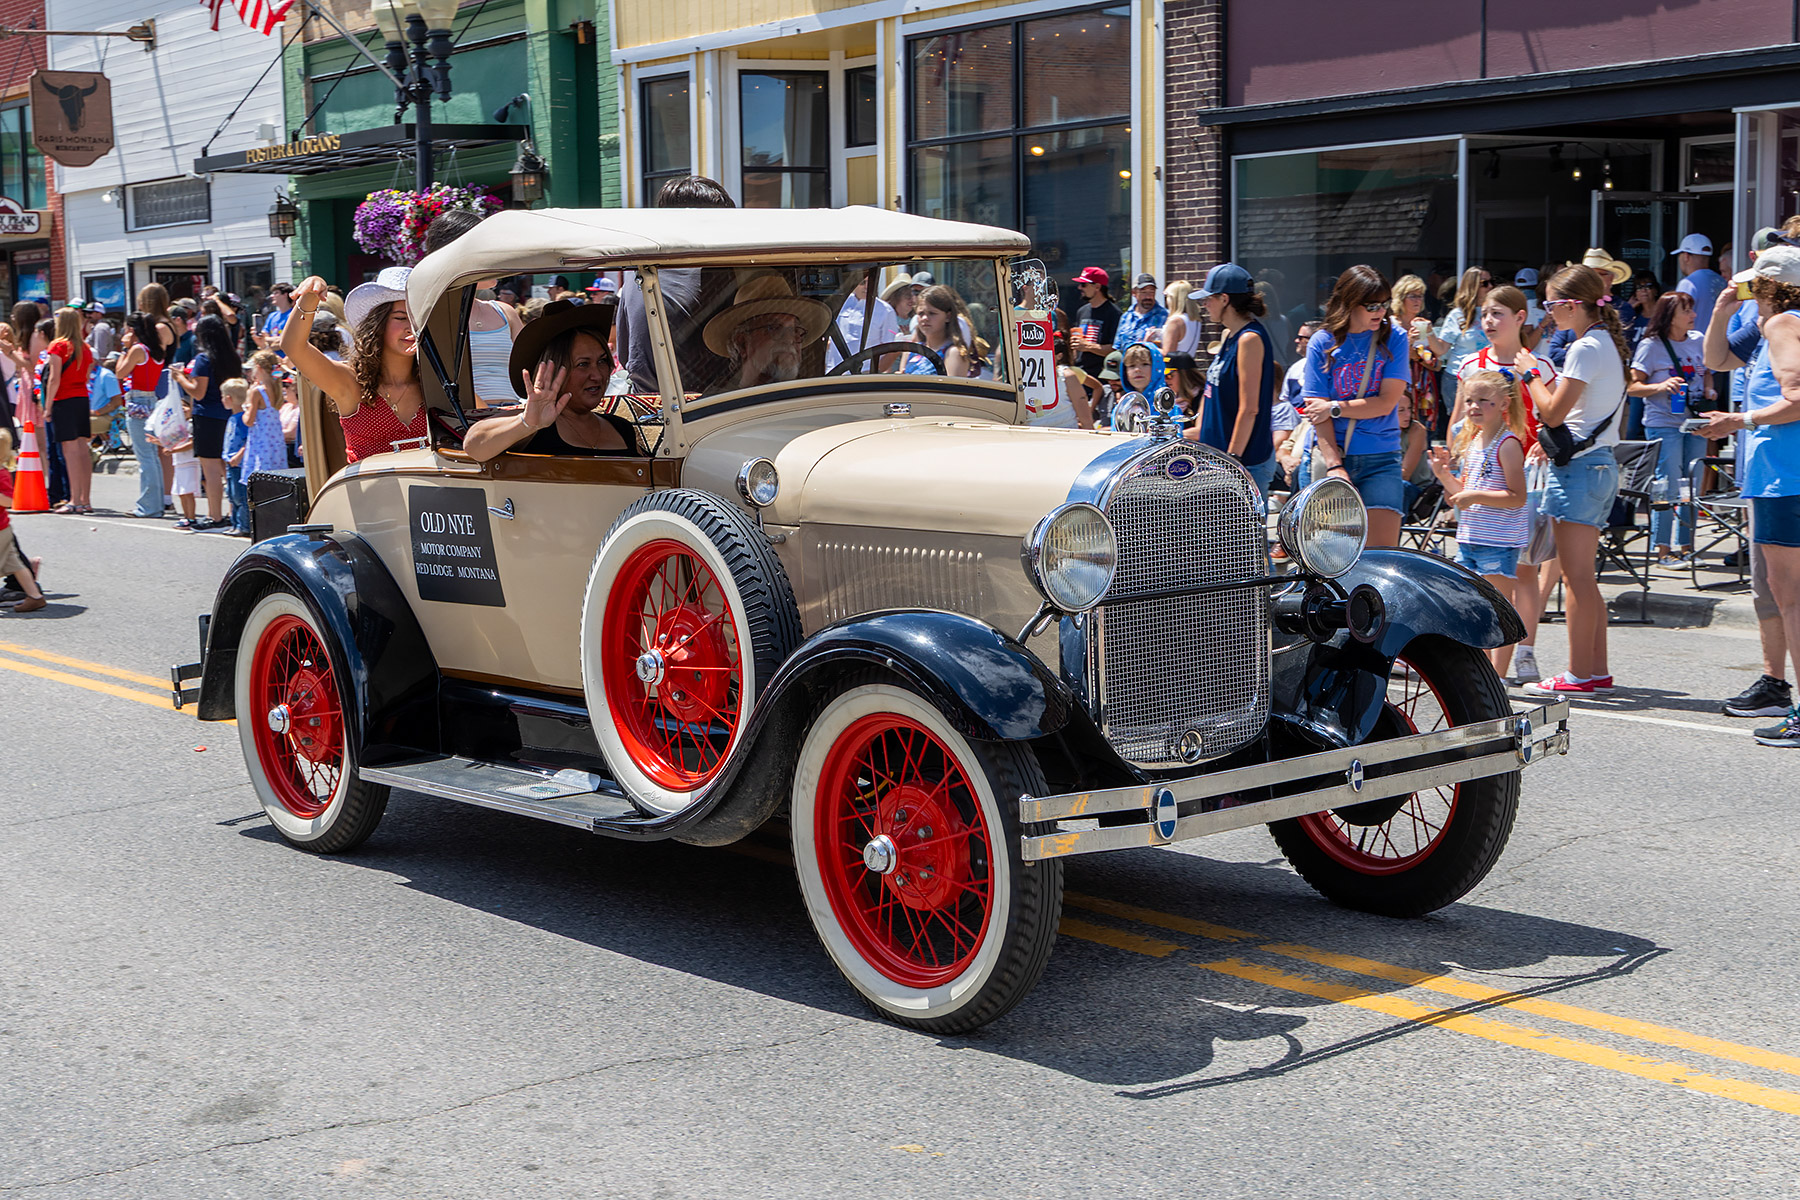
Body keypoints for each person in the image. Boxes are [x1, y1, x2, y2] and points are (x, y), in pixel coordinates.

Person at [1697, 245, 1800, 745]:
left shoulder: (1781, 325)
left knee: (1792, 599)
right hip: (1783, 476)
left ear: (1769, 289)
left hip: (1786, 477)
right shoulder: (1774, 325)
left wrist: (1740, 419)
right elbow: (1716, 357)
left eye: (1754, 286)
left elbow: (1798, 396)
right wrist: (1722, 310)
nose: (1749, 294)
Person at [1524, 264, 1627, 697]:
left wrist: (1530, 374)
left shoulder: (1586, 346)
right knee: (1584, 577)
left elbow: (1551, 413)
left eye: (1551, 304)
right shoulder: (1604, 342)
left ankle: (1579, 673)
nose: (1547, 312)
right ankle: (1594, 670)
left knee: (1576, 578)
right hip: (1599, 464)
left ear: (1572, 304)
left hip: (1582, 469)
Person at [1456, 285, 1560, 683]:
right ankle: (1485, 661)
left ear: (1520, 318)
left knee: (1524, 570)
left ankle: (1526, 651)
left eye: (1498, 313)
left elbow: (1555, 417)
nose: (1489, 321)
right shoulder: (1471, 364)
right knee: (1486, 577)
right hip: (1483, 472)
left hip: (1526, 476)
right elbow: (1460, 418)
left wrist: (1545, 448)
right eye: (1485, 313)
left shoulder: (1537, 365)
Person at [1427, 369, 1530, 675]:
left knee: (1497, 613)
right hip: (1470, 539)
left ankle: (1497, 677)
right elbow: (1464, 493)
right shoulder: (1473, 441)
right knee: (1472, 611)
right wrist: (1444, 476)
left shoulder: (1508, 443)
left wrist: (1474, 496)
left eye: (1483, 400)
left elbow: (1516, 496)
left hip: (1498, 543)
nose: (1474, 406)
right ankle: (1480, 674)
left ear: (1503, 404)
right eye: (1470, 400)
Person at [1301, 265, 1410, 547]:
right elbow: (1316, 412)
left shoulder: (1394, 338)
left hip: (1381, 459)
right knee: (1329, 557)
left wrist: (1335, 408)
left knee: (1381, 556)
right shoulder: (1322, 342)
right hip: (1334, 456)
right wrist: (1335, 466)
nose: (1380, 312)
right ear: (1349, 302)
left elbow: (1386, 404)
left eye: (1385, 304)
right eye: (1372, 305)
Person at [281, 268, 427, 463]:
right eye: (401, 317)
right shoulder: (351, 381)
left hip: (431, 490)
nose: (412, 326)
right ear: (378, 324)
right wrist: (310, 295)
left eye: (418, 317)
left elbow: (478, 419)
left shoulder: (437, 383)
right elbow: (293, 346)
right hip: (369, 491)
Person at [461, 301, 631, 462]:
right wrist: (527, 423)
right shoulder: (535, 423)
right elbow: (474, 445)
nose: (597, 375)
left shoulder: (622, 428)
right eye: (583, 364)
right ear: (553, 370)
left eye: (602, 361)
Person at [617, 175, 738, 394]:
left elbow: (627, 355)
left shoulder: (637, 273)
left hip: (644, 405)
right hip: (703, 407)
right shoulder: (715, 273)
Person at [1629, 291, 1712, 564]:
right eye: (1686, 311)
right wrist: (1661, 386)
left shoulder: (1698, 341)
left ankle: (1686, 547)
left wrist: (1709, 388)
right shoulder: (1651, 345)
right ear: (1669, 316)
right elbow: (1633, 386)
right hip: (1663, 423)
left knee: (1691, 485)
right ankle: (1663, 549)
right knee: (1668, 485)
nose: (1693, 316)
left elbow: (1707, 369)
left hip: (1695, 422)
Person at [1188, 262, 1276, 496]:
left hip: (1243, 464)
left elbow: (1249, 409)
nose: (1204, 304)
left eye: (1208, 298)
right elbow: (1211, 390)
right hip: (1216, 461)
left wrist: (1232, 461)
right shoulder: (1229, 335)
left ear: (1224, 299)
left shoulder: (1249, 339)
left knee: (1245, 534)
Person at [423, 208, 522, 407]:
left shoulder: (505, 312)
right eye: (485, 250)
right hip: (467, 423)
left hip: (517, 415)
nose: (494, 257)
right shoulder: (432, 316)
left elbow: (533, 367)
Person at [698, 276, 832, 395]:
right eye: (773, 328)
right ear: (742, 343)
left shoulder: (814, 397)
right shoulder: (718, 405)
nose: (790, 339)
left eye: (796, 330)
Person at [171, 313, 240, 529]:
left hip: (207, 416)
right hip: (228, 414)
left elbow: (198, 393)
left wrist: (180, 376)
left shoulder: (203, 358)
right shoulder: (232, 357)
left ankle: (214, 515)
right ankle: (233, 513)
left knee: (210, 471)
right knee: (225, 468)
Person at [42, 306, 96, 515]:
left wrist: (47, 408)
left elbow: (54, 378)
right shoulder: (85, 347)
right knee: (83, 449)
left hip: (63, 399)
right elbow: (86, 374)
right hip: (82, 398)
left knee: (70, 451)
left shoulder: (58, 346)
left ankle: (74, 499)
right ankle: (85, 499)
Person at [1425, 266, 1492, 429]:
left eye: (1492, 282)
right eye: (1485, 283)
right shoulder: (1458, 315)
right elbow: (1441, 349)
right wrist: (1427, 333)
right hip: (1459, 378)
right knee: (1461, 427)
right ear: (1472, 286)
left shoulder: (1494, 311)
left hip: (1489, 378)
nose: (1491, 287)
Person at [0, 430, 46, 612]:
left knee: (14, 562)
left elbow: (10, 501)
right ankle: (35, 596)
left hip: (1, 528)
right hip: (3, 529)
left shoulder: (2, 474)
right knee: (15, 564)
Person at [1392, 274, 1441, 434]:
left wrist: (1430, 333)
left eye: (1420, 296)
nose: (1417, 300)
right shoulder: (1390, 325)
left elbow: (1438, 361)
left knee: (1420, 434)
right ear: (1400, 297)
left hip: (1423, 389)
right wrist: (1409, 343)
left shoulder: (1422, 323)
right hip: (1399, 386)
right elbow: (1389, 359)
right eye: (1412, 296)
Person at [826, 274, 901, 371]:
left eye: (871, 282)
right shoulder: (839, 304)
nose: (867, 286)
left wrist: (872, 374)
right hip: (834, 374)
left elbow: (891, 351)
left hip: (864, 376)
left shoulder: (886, 311)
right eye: (862, 282)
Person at [240, 351, 291, 491]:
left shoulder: (258, 391)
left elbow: (249, 420)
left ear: (259, 367)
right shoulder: (277, 389)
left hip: (261, 443)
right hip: (275, 443)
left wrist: (245, 407)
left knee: (260, 484)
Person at [899, 284, 969, 380]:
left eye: (932, 313)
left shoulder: (954, 354)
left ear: (948, 317)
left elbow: (951, 392)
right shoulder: (912, 351)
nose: (925, 318)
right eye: (921, 313)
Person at [1068, 266, 1119, 381]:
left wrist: (1087, 346)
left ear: (1097, 287)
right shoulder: (1082, 311)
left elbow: (1115, 350)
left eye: (1084, 285)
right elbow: (1078, 346)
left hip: (1101, 378)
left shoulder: (1114, 313)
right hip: (1080, 375)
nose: (1079, 287)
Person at [1673, 233, 1726, 333]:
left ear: (1686, 256)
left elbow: (1678, 320)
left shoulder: (1687, 284)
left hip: (1692, 345)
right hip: (1719, 344)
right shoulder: (1722, 281)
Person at [220, 377, 251, 536]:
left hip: (238, 463)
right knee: (232, 495)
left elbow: (248, 441)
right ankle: (235, 523)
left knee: (240, 496)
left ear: (230, 399)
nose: (222, 399)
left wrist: (239, 456)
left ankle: (243, 525)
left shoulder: (242, 419)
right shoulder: (233, 417)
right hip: (230, 462)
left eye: (223, 396)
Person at [1115, 272, 1167, 353]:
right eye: (1143, 292)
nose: (1148, 296)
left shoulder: (1165, 316)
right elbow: (1117, 347)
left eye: (1152, 291)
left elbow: (1170, 350)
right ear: (1133, 293)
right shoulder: (1126, 317)